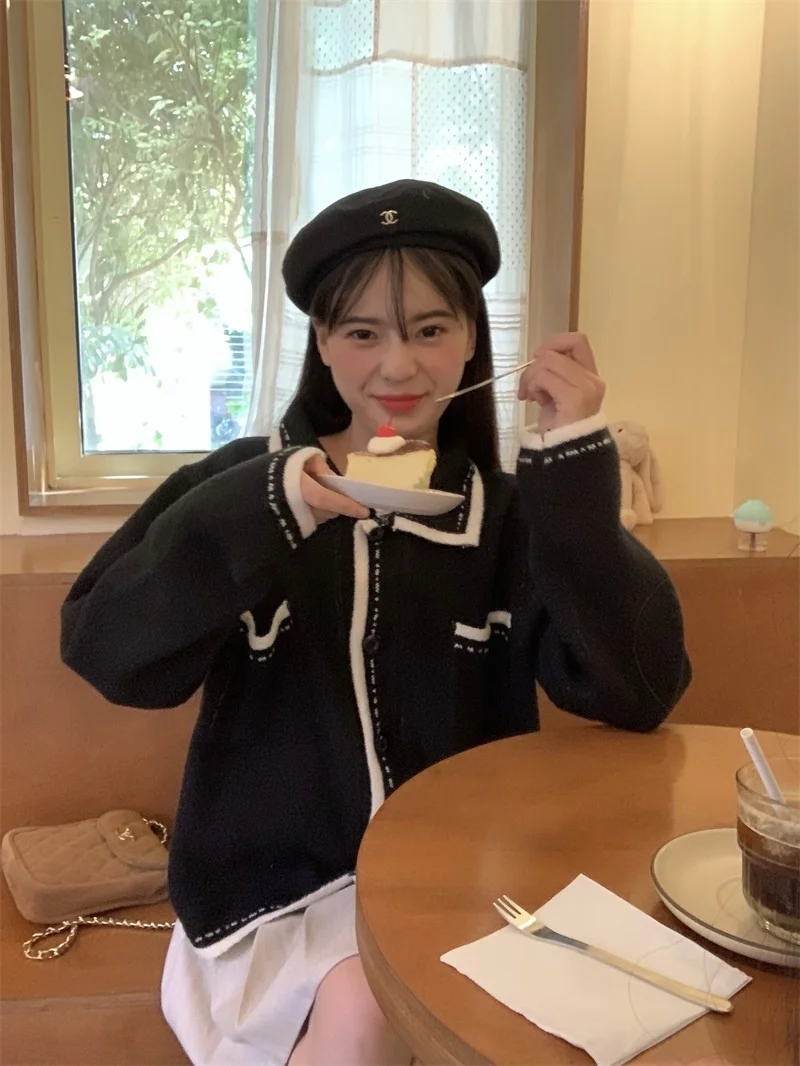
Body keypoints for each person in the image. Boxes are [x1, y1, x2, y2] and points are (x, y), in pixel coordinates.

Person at [60, 180, 691, 1066]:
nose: (397, 368)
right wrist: (267, 509)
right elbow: (108, 653)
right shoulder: (241, 493)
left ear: (471, 337)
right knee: (366, 1000)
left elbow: (638, 691)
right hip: (274, 903)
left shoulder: (508, 517)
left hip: (467, 891)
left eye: (430, 330)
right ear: (321, 342)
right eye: (361, 333)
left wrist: (573, 461)